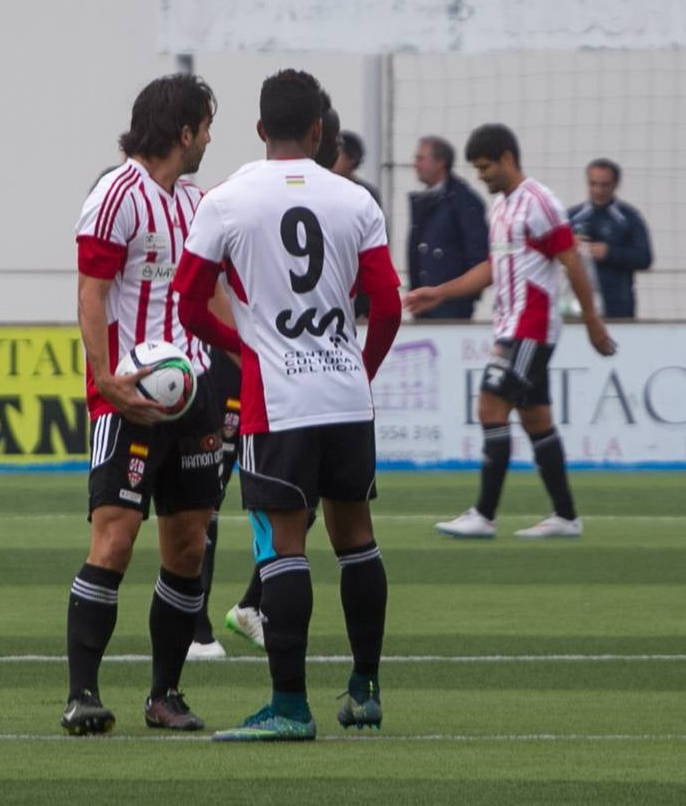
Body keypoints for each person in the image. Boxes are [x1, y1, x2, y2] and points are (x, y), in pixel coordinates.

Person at [174, 68, 402, 741]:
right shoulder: (354, 199)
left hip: (279, 401)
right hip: (343, 394)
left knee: (282, 546)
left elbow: (188, 300)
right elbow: (385, 304)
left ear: (257, 129)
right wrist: (359, 371)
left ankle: (289, 706)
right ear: (318, 130)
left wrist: (245, 348)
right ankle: (363, 689)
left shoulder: (225, 199)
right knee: (355, 538)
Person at [59, 73, 223, 737]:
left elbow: (211, 295)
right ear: (183, 132)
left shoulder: (198, 202)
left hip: (195, 395)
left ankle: (164, 694)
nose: (211, 137)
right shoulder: (115, 195)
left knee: (187, 546)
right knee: (115, 538)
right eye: (206, 126)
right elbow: (91, 293)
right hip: (128, 398)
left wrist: (238, 361)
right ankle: (82, 695)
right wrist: (105, 379)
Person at [412, 125, 616, 540]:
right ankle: (565, 516)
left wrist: (592, 320)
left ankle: (484, 515)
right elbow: (492, 268)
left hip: (530, 328)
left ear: (507, 158)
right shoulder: (502, 209)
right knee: (536, 418)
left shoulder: (539, 202)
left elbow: (571, 260)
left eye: (485, 167)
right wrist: (441, 292)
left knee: (490, 404)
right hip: (512, 325)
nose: (481, 176)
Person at [208, 102, 345, 657]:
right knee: (213, 495)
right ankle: (199, 627)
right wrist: (243, 346)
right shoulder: (245, 194)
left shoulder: (318, 199)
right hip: (240, 363)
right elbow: (206, 276)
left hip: (284, 370)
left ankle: (250, 604)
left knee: (296, 497)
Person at [407, 136, 489, 319]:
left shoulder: (464, 201)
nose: (415, 165)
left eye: (421, 159)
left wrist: (465, 297)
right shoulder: (424, 203)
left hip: (453, 310)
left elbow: (479, 255)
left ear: (440, 163)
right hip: (423, 306)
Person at [567, 158, 652, 319]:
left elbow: (645, 258)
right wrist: (569, 247)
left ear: (615, 184)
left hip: (617, 307)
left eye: (604, 185)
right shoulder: (572, 217)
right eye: (593, 184)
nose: (598, 190)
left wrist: (609, 252)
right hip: (577, 305)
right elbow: (550, 253)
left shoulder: (628, 217)